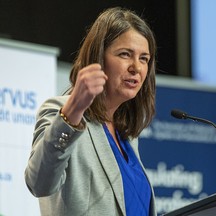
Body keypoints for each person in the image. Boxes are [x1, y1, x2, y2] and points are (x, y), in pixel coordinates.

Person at [25, 7, 157, 216]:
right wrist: (72, 111)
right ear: (98, 57)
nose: (136, 67)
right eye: (125, 54)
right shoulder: (61, 112)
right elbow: (39, 183)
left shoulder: (128, 136)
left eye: (144, 58)